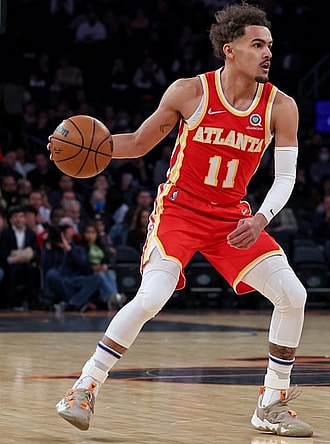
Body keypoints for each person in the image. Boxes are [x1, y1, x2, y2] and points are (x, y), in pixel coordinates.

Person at [52, 4, 313, 437]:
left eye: (270, 45)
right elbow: (137, 142)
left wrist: (263, 218)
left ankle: (272, 403)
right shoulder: (190, 92)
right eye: (257, 45)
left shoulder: (281, 107)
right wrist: (80, 146)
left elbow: (286, 177)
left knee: (293, 294)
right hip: (179, 211)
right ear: (230, 50)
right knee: (152, 297)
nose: (268, 53)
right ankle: (84, 388)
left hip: (233, 218)